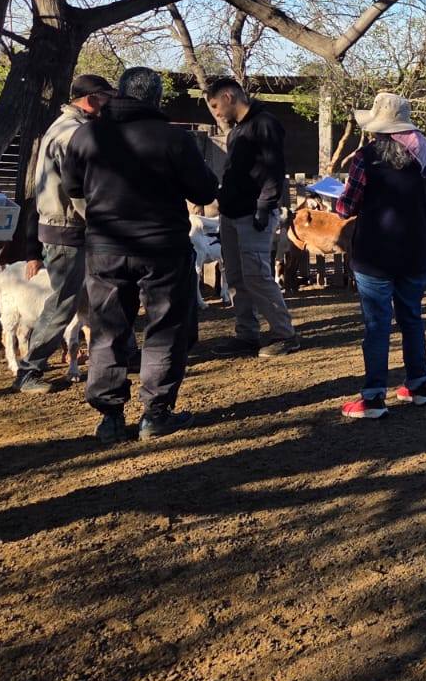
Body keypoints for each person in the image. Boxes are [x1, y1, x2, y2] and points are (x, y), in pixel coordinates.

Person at [63, 66, 219, 443]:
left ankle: (110, 417)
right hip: (162, 247)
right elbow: (203, 191)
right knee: (165, 328)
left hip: (105, 248)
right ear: (155, 98)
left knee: (107, 329)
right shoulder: (173, 139)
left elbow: (72, 184)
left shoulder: (86, 135)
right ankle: (156, 413)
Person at [334, 91, 426, 417]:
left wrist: (337, 197)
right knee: (411, 318)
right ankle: (419, 386)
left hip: (375, 255)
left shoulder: (365, 157)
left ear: (380, 126)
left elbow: (346, 207)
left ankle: (374, 397)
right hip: (416, 250)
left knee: (377, 325)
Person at [14, 73, 113, 393]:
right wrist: (101, 220)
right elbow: (80, 190)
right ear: (92, 99)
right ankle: (29, 370)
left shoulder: (61, 127)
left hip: (65, 226)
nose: (109, 104)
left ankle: (114, 354)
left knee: (98, 296)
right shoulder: (74, 134)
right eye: (106, 98)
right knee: (63, 304)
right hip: (68, 228)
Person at [203, 78, 299, 357]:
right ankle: (246, 333)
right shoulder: (236, 132)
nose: (216, 112)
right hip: (231, 213)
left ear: (229, 96)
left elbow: (274, 169)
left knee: (257, 274)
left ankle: (284, 333)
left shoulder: (264, 124)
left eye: (215, 104)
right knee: (235, 276)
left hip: (253, 213)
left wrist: (264, 206)